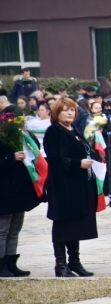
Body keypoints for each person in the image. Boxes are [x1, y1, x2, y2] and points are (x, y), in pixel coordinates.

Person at [44, 98, 99, 277]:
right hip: (63, 187)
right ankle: (60, 264)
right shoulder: (54, 131)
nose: (70, 113)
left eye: (72, 110)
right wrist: (78, 164)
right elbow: (55, 159)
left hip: (78, 185)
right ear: (56, 113)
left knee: (75, 224)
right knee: (63, 224)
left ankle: (74, 261)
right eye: (65, 110)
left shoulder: (73, 129)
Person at [0, 105, 44, 277]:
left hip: (19, 190)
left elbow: (35, 150)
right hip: (4, 190)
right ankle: (1, 264)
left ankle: (11, 262)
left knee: (15, 228)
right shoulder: (2, 137)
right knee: (3, 229)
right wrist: (10, 157)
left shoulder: (23, 135)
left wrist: (28, 136)